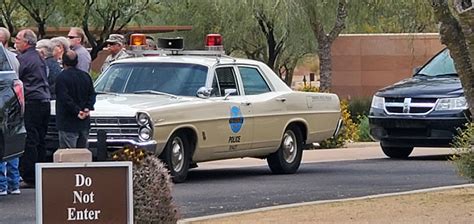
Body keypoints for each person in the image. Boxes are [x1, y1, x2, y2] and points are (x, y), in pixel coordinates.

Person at [15, 29, 51, 189]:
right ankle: (41, 172)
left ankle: (30, 176)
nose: (15, 42)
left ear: (27, 42)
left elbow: (16, 79)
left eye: (18, 39)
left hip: (32, 101)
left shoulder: (23, 59)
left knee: (30, 139)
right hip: (44, 100)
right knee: (41, 139)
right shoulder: (39, 57)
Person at [55, 50, 96, 148]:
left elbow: (64, 98)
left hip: (67, 122)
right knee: (83, 153)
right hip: (84, 122)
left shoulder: (61, 77)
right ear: (77, 62)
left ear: (63, 62)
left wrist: (77, 111)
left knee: (68, 154)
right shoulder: (86, 76)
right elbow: (92, 94)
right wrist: (87, 108)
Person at [0, 27, 21, 195]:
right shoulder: (13, 59)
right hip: (11, 104)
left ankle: (2, 184)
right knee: (10, 139)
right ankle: (13, 183)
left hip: (6, 103)